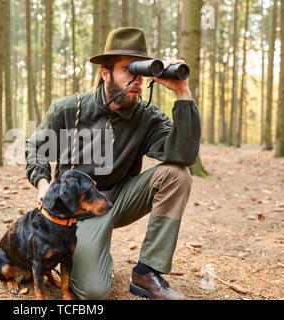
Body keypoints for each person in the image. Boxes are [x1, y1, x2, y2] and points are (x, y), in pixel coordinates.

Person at [25, 27, 201, 300]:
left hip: (120, 200)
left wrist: (182, 93)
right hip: (77, 213)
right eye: (128, 70)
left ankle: (146, 272)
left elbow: (185, 156)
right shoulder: (69, 109)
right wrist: (43, 183)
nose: (137, 80)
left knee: (177, 174)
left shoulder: (148, 117)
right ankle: (93, 248)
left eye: (141, 72)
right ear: (105, 73)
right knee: (93, 291)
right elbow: (36, 147)